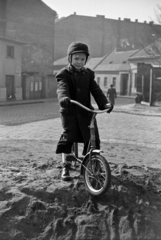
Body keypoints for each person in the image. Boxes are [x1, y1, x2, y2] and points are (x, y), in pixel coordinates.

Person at [55, 42, 113, 181]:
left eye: (82, 59)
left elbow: (96, 90)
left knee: (92, 138)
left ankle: (92, 164)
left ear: (86, 60)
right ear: (70, 58)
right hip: (70, 110)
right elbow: (62, 87)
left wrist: (104, 103)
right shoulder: (64, 74)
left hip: (86, 111)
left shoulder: (88, 74)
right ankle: (65, 165)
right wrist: (64, 98)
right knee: (69, 137)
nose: (79, 62)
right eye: (76, 59)